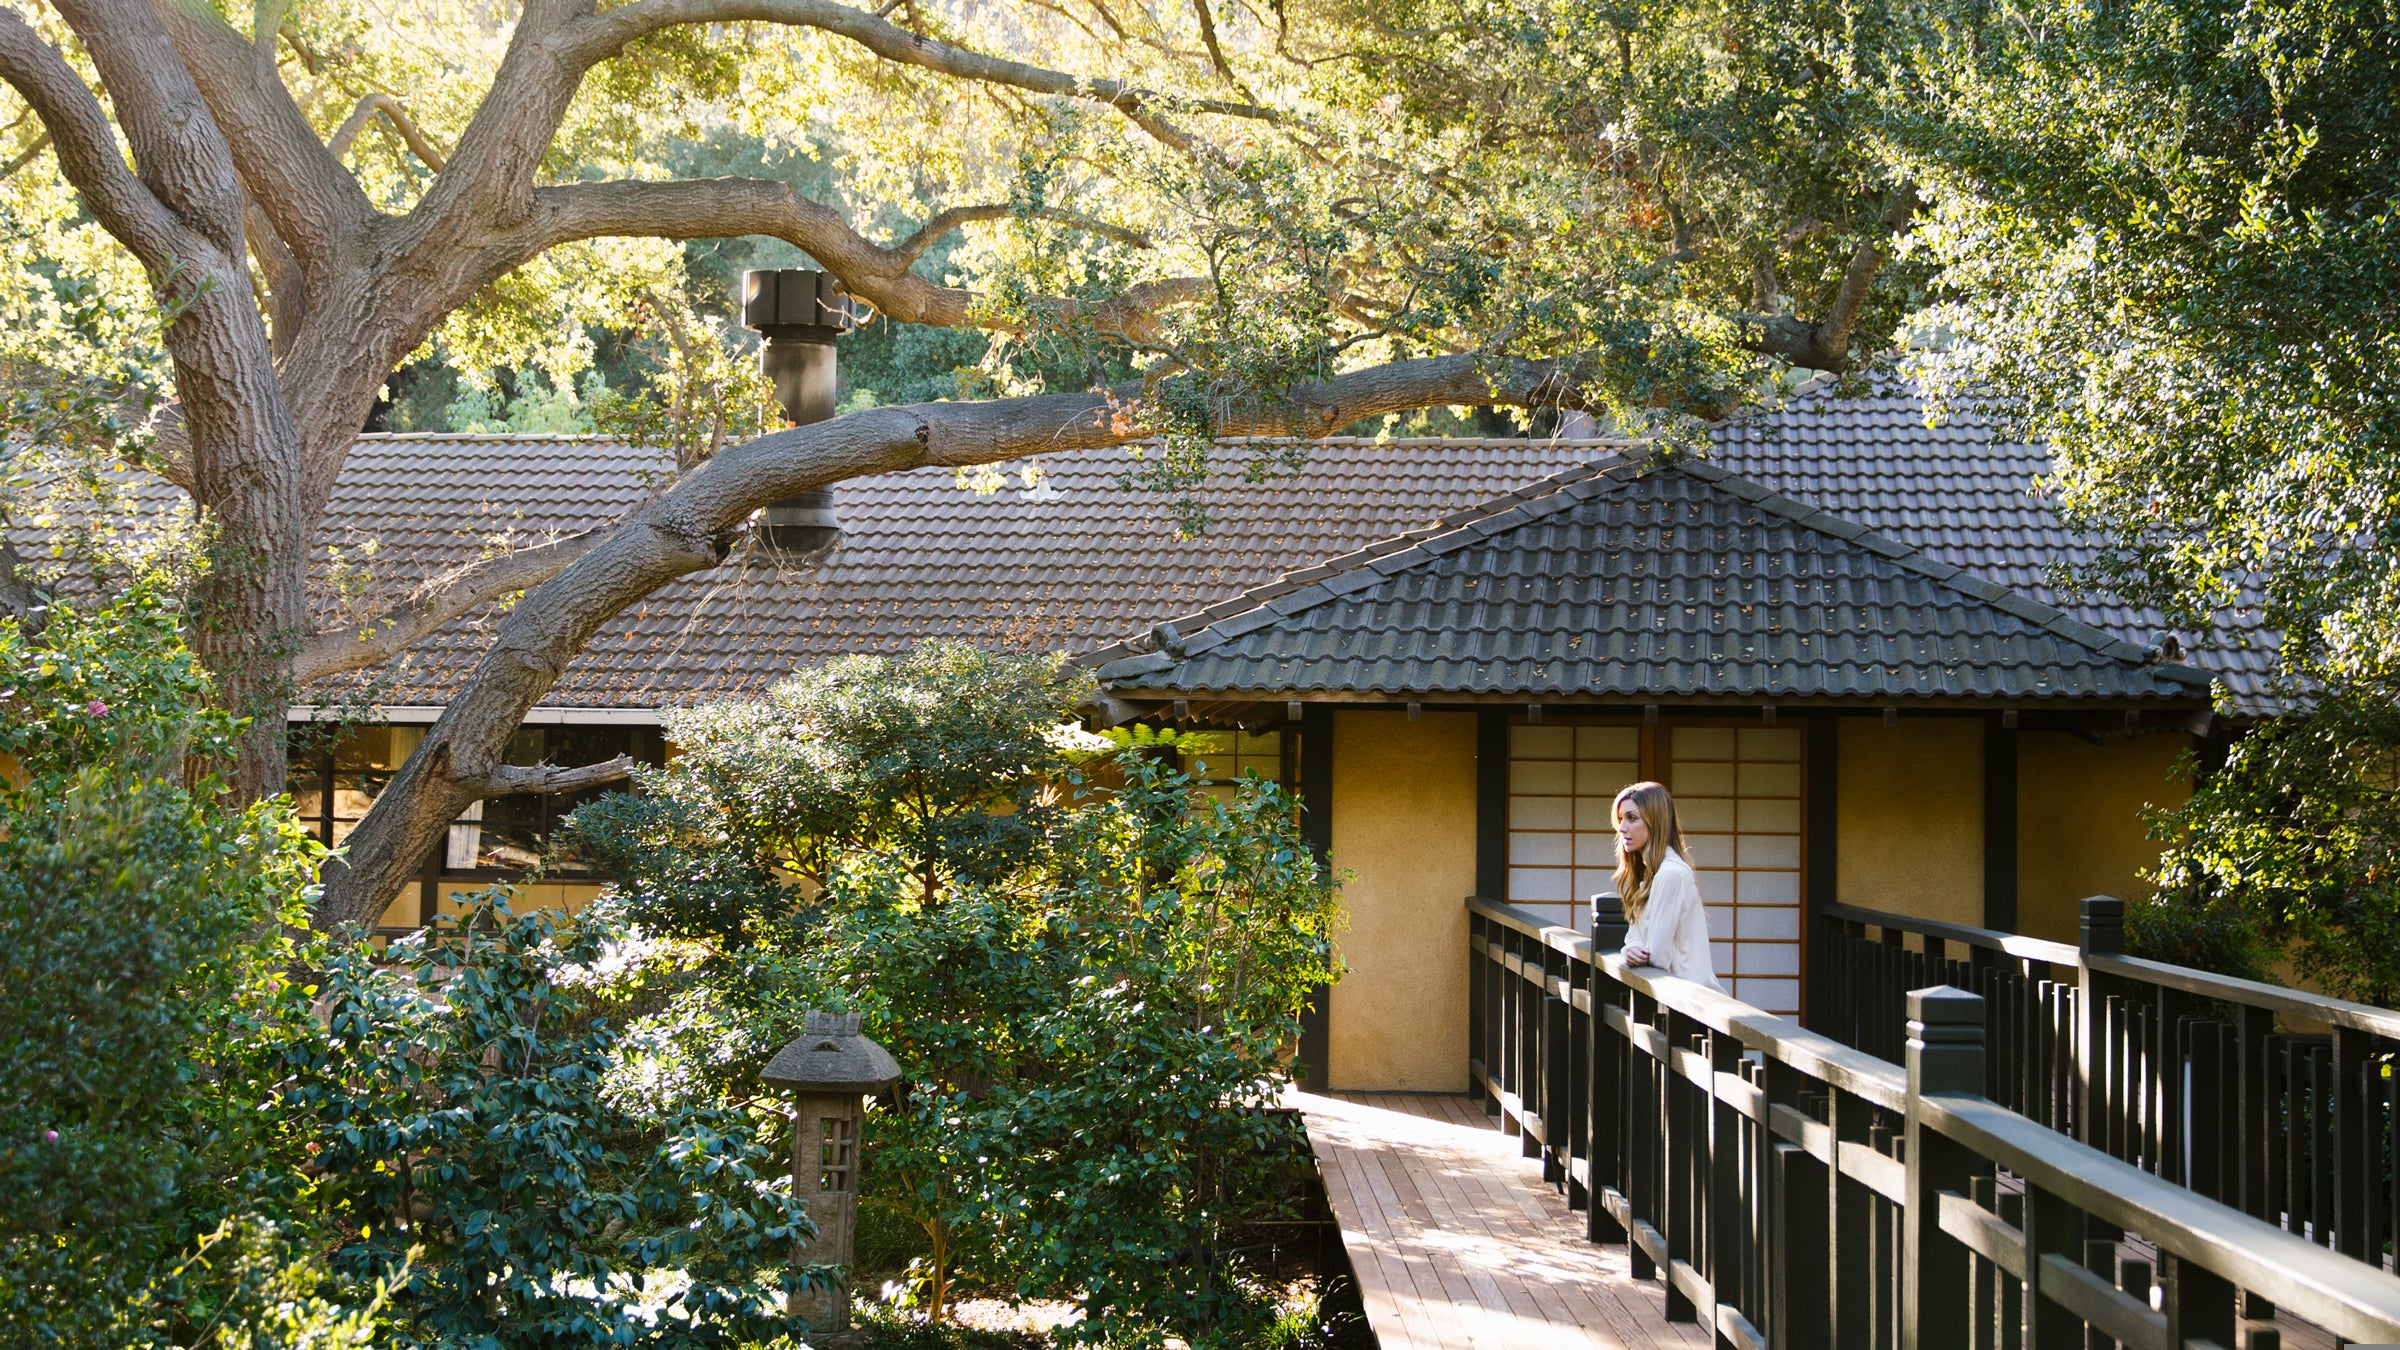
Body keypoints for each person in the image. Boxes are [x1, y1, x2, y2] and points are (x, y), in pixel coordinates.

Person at [1612, 781, 1724, 993]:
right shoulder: (1650, 876)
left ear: (1655, 821)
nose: (1622, 828)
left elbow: (1658, 956)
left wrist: (1637, 951)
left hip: (1690, 997)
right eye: (1620, 819)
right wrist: (1631, 950)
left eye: (1631, 818)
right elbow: (1634, 939)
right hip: (1675, 995)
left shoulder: (1670, 874)